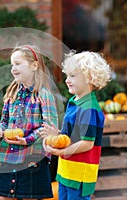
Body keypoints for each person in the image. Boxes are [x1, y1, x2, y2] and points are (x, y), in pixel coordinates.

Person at [0, 44, 59, 200]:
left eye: (18, 63)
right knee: (3, 197)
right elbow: (5, 121)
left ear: (34, 66)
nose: (13, 68)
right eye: (12, 64)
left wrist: (27, 140)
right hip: (10, 156)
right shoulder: (12, 93)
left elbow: (49, 128)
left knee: (28, 196)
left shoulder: (44, 95)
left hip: (32, 158)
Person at [41, 50, 111, 200]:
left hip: (79, 175)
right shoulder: (74, 102)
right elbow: (73, 136)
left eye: (73, 76)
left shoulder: (89, 109)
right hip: (67, 171)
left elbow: (87, 143)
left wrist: (60, 152)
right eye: (67, 75)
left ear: (90, 78)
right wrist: (57, 135)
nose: (67, 80)